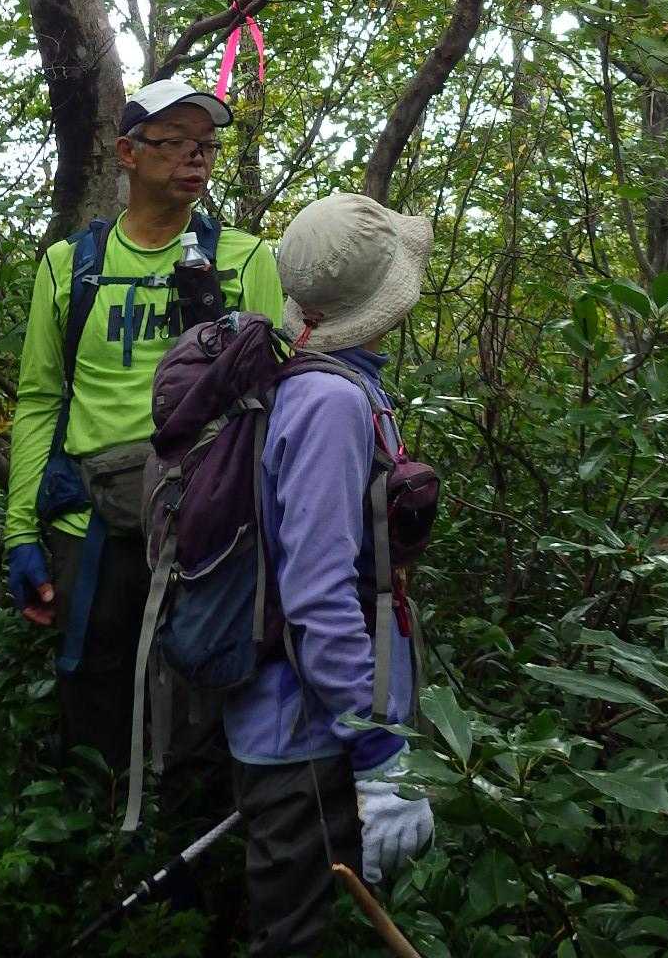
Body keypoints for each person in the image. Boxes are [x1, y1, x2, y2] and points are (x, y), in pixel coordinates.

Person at [5, 77, 284, 771]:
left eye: (207, 145)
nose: (197, 156)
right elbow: (40, 400)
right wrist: (21, 533)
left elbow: (277, 400)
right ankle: (98, 826)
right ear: (128, 152)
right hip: (90, 524)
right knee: (93, 692)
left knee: (205, 691)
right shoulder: (71, 266)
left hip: (209, 521)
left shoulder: (245, 259)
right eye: (176, 142)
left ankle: (190, 833)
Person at [225, 191, 436, 958]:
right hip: (305, 737)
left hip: (311, 727)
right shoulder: (328, 402)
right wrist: (377, 753)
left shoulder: (331, 381)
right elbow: (317, 594)